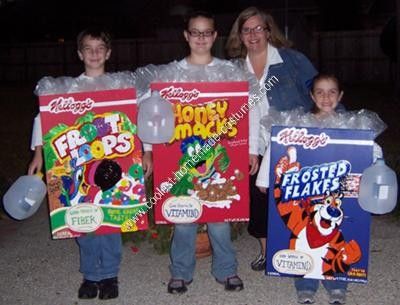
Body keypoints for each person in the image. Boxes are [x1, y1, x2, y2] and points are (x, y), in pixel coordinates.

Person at [28, 27, 153, 300]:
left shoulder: (121, 87)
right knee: (82, 223)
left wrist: (147, 151)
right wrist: (38, 155)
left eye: (100, 48)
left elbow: (142, 117)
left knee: (109, 223)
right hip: (78, 169)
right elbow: (42, 119)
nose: (94, 53)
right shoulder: (67, 89)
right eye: (88, 48)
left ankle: (109, 275)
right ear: (79, 53)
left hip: (115, 166)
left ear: (108, 53)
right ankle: (90, 276)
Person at [138, 11, 244, 294]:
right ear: (186, 36)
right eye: (194, 32)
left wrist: (251, 149)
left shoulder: (230, 72)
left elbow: (250, 111)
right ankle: (181, 273)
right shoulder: (169, 74)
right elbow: (149, 113)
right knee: (183, 220)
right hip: (178, 160)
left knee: (220, 220)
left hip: (218, 161)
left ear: (214, 36)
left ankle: (227, 270)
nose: (200, 38)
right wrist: (147, 150)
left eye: (206, 32)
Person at [257, 73, 383, 304]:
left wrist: (377, 166)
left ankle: (337, 284)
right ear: (311, 95)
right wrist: (265, 180)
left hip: (337, 201)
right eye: (320, 92)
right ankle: (306, 284)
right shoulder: (299, 125)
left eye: (332, 91)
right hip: (307, 204)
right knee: (300, 242)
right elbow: (278, 146)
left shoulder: (353, 126)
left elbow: (372, 151)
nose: (326, 97)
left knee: (338, 241)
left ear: (341, 95)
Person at [226, 6, 317, 271]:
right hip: (254, 144)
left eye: (258, 28)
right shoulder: (233, 69)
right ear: (239, 35)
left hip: (290, 141)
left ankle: (300, 251)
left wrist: (345, 129)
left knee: (295, 199)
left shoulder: (292, 60)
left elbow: (322, 93)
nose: (253, 34)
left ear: (268, 31)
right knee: (258, 199)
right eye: (246, 30)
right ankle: (268, 253)